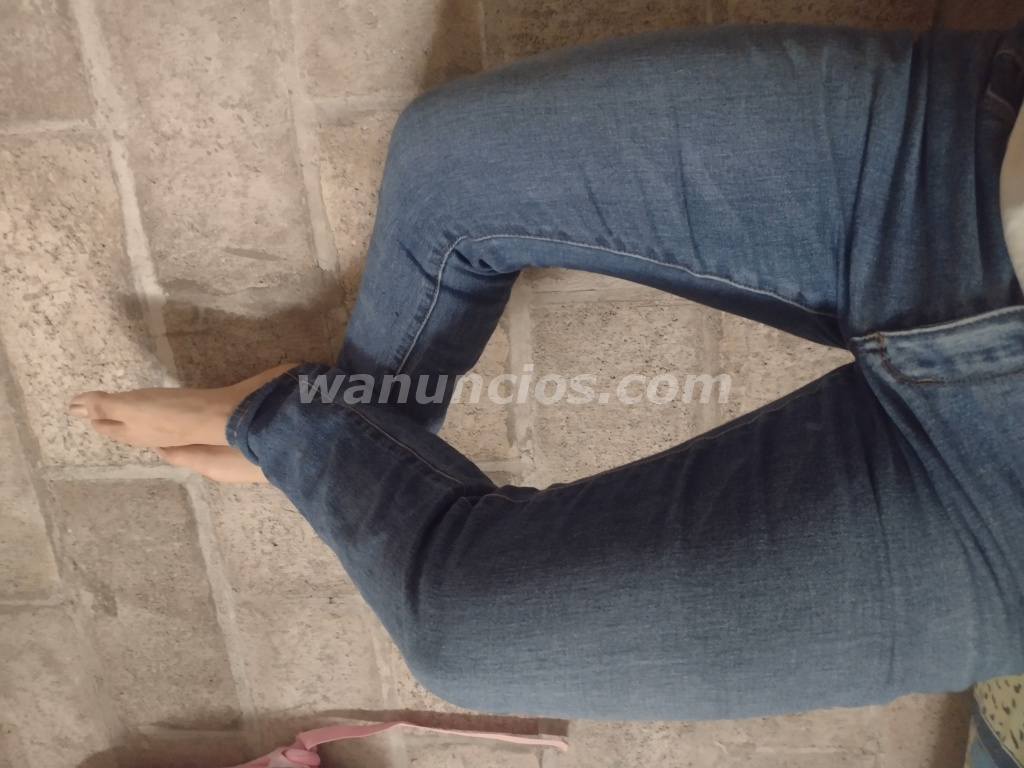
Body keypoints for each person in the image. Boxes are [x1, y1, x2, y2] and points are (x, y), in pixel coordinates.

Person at [68, 18, 1024, 722]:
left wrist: (301, 429)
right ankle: (358, 416)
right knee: (448, 163)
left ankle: (300, 421)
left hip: (999, 526)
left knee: (462, 634)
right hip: (971, 163)